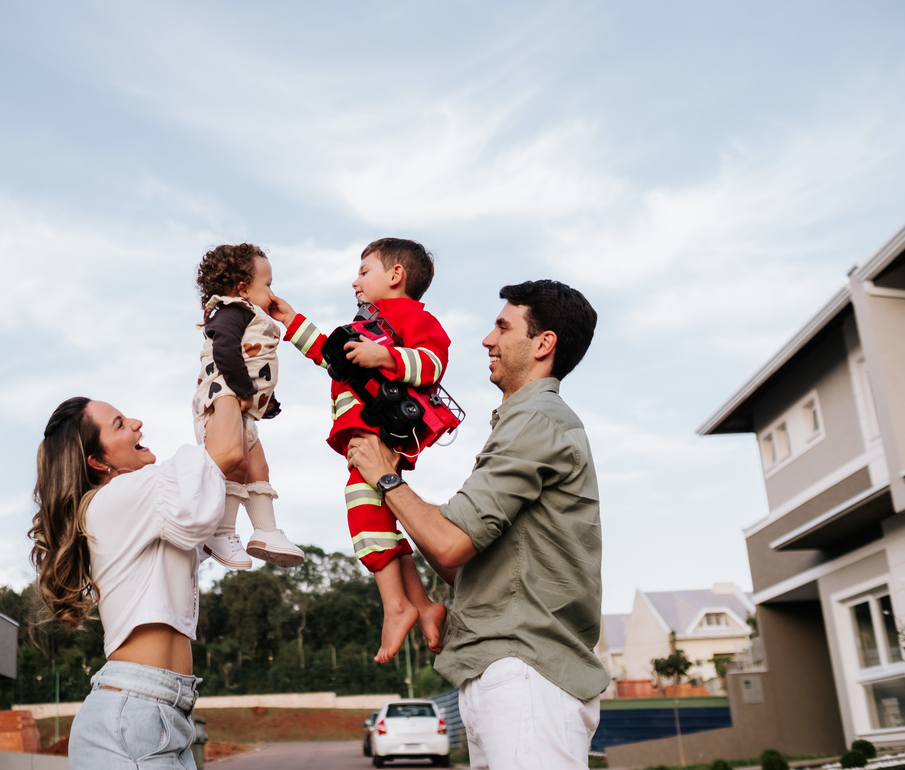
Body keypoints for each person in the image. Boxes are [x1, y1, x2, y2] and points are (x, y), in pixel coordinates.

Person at [347, 279, 608, 770]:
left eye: (503, 327)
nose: (488, 340)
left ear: (543, 344)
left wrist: (385, 478)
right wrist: (395, 527)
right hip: (503, 672)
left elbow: (449, 542)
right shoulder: (524, 423)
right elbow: (464, 563)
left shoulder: (537, 420)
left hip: (526, 675)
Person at [29, 393, 246, 768]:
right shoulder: (115, 498)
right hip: (134, 715)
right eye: (119, 424)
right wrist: (224, 379)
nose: (136, 423)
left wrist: (238, 410)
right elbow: (225, 452)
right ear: (98, 462)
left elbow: (228, 466)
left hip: (158, 712)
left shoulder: (146, 509)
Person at [270, 237, 449, 663]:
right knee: (383, 520)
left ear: (396, 275)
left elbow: (433, 362)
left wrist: (383, 356)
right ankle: (423, 605)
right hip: (363, 431)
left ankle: (396, 606)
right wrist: (290, 319)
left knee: (362, 509)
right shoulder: (369, 324)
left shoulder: (411, 317)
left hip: (378, 432)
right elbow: (330, 354)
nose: (355, 281)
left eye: (364, 271)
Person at [192, 243, 304, 569]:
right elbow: (225, 348)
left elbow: (256, 365)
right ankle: (221, 531)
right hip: (222, 401)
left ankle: (266, 530)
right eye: (267, 285)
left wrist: (266, 403)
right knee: (237, 466)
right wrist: (244, 389)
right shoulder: (232, 311)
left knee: (259, 469)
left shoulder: (249, 316)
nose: (272, 293)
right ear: (243, 289)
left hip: (242, 408)